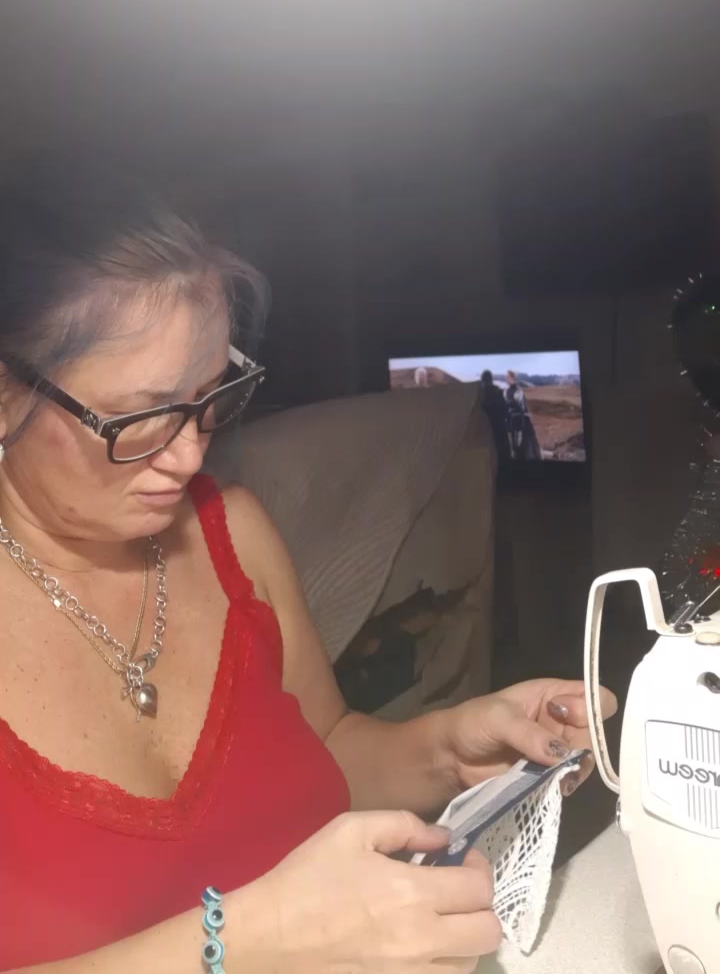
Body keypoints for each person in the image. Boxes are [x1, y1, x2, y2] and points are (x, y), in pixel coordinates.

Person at [0, 166, 615, 973]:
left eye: (210, 397)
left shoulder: (233, 532)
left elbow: (324, 749)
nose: (189, 456)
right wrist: (243, 942)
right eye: (139, 417)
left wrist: (451, 751)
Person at [505, 370, 542, 461]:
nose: (506, 379)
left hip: (520, 420)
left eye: (508, 377)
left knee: (521, 445)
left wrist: (510, 404)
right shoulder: (506, 391)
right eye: (506, 377)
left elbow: (518, 405)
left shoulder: (518, 391)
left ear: (513, 378)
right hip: (511, 421)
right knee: (512, 445)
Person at [479, 370, 512, 467]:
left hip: (490, 425)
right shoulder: (497, 391)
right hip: (498, 425)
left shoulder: (482, 393)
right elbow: (505, 408)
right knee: (502, 449)